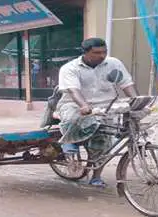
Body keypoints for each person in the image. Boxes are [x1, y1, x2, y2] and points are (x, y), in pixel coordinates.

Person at [57, 38, 138, 187]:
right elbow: (73, 91)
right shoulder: (70, 68)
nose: (102, 56)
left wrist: (137, 101)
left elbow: (126, 84)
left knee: (103, 143)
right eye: (97, 53)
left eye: (104, 52)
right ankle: (69, 142)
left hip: (105, 107)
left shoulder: (114, 64)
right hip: (75, 104)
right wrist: (84, 106)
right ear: (85, 53)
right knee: (72, 116)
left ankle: (96, 177)